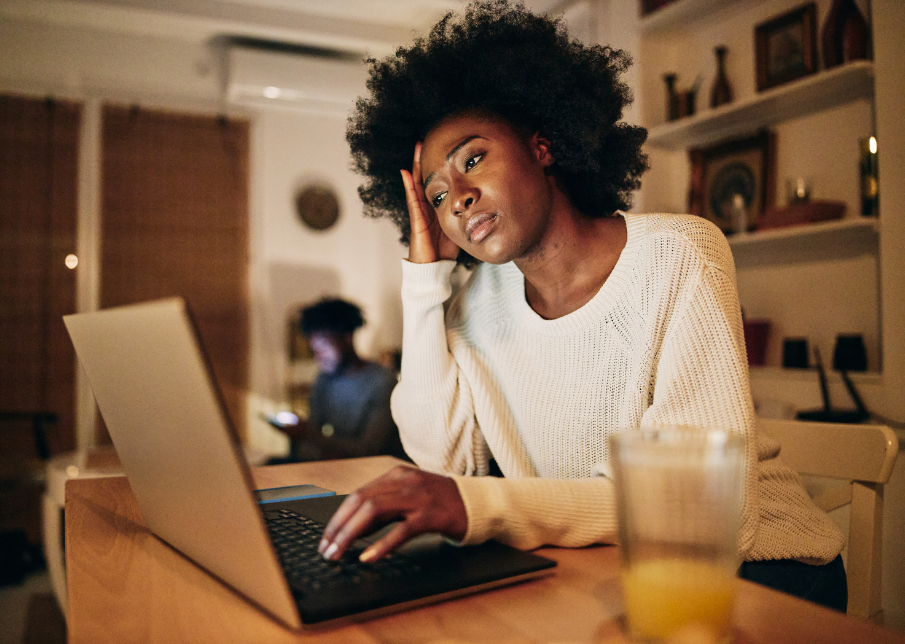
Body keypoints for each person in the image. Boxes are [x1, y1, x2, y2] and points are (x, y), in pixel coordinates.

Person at [317, 0, 849, 611]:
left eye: (472, 159)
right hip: (601, 561)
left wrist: (481, 507)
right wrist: (424, 276)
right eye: (436, 196)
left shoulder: (680, 255)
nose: (458, 198)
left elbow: (699, 510)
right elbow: (442, 461)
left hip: (760, 568)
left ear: (542, 147)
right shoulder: (472, 303)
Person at [270, 298, 406, 463]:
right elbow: (314, 434)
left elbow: (369, 450)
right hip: (327, 468)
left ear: (347, 338)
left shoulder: (382, 383)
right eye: (315, 350)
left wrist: (306, 433)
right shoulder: (324, 380)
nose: (318, 357)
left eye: (323, 347)